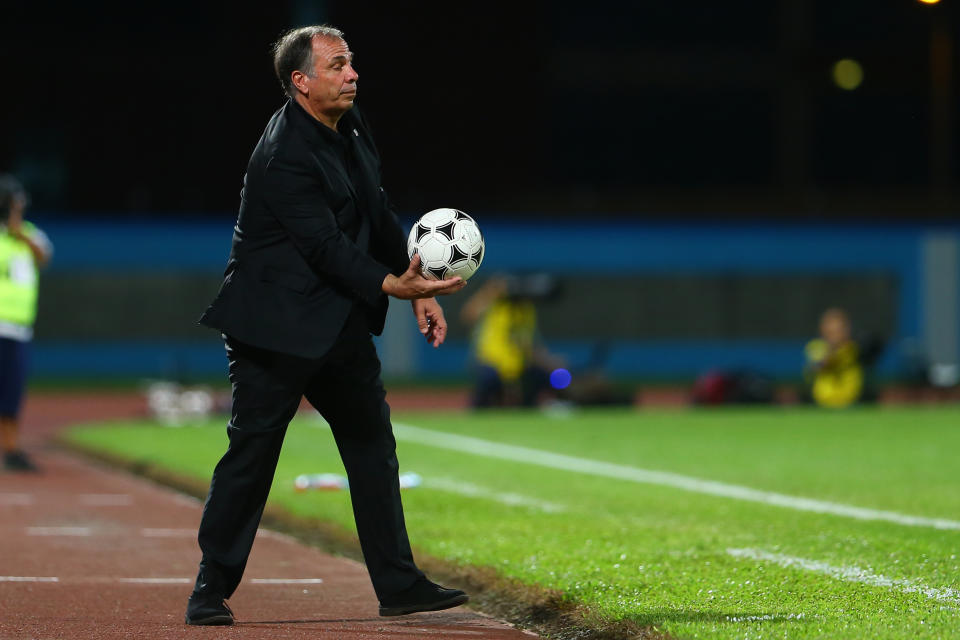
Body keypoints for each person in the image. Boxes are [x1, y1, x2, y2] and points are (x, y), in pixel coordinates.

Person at [186, 25, 468, 626]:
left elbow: (376, 207)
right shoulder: (284, 151)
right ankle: (210, 587)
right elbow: (323, 245)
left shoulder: (352, 125)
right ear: (301, 82)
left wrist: (414, 284)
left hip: (334, 320)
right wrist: (392, 286)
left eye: (351, 63)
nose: (352, 74)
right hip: (273, 329)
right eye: (337, 66)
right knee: (253, 452)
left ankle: (399, 585)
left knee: (372, 445)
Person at [0, 175, 52, 472]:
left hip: (18, 329)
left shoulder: (31, 234)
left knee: (11, 392)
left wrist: (19, 233)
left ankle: (11, 449)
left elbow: (44, 256)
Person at [461, 275, 560, 407]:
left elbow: (529, 343)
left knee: (550, 377)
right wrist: (490, 291)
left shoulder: (527, 310)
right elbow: (468, 315)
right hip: (490, 363)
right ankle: (478, 410)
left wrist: (549, 362)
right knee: (488, 383)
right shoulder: (497, 306)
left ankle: (532, 408)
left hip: (517, 366)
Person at [804, 308, 865, 408]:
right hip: (822, 404)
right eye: (830, 331)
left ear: (846, 330)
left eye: (838, 330)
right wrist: (830, 353)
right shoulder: (816, 346)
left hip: (851, 404)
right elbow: (816, 366)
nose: (835, 336)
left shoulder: (853, 348)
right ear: (822, 330)